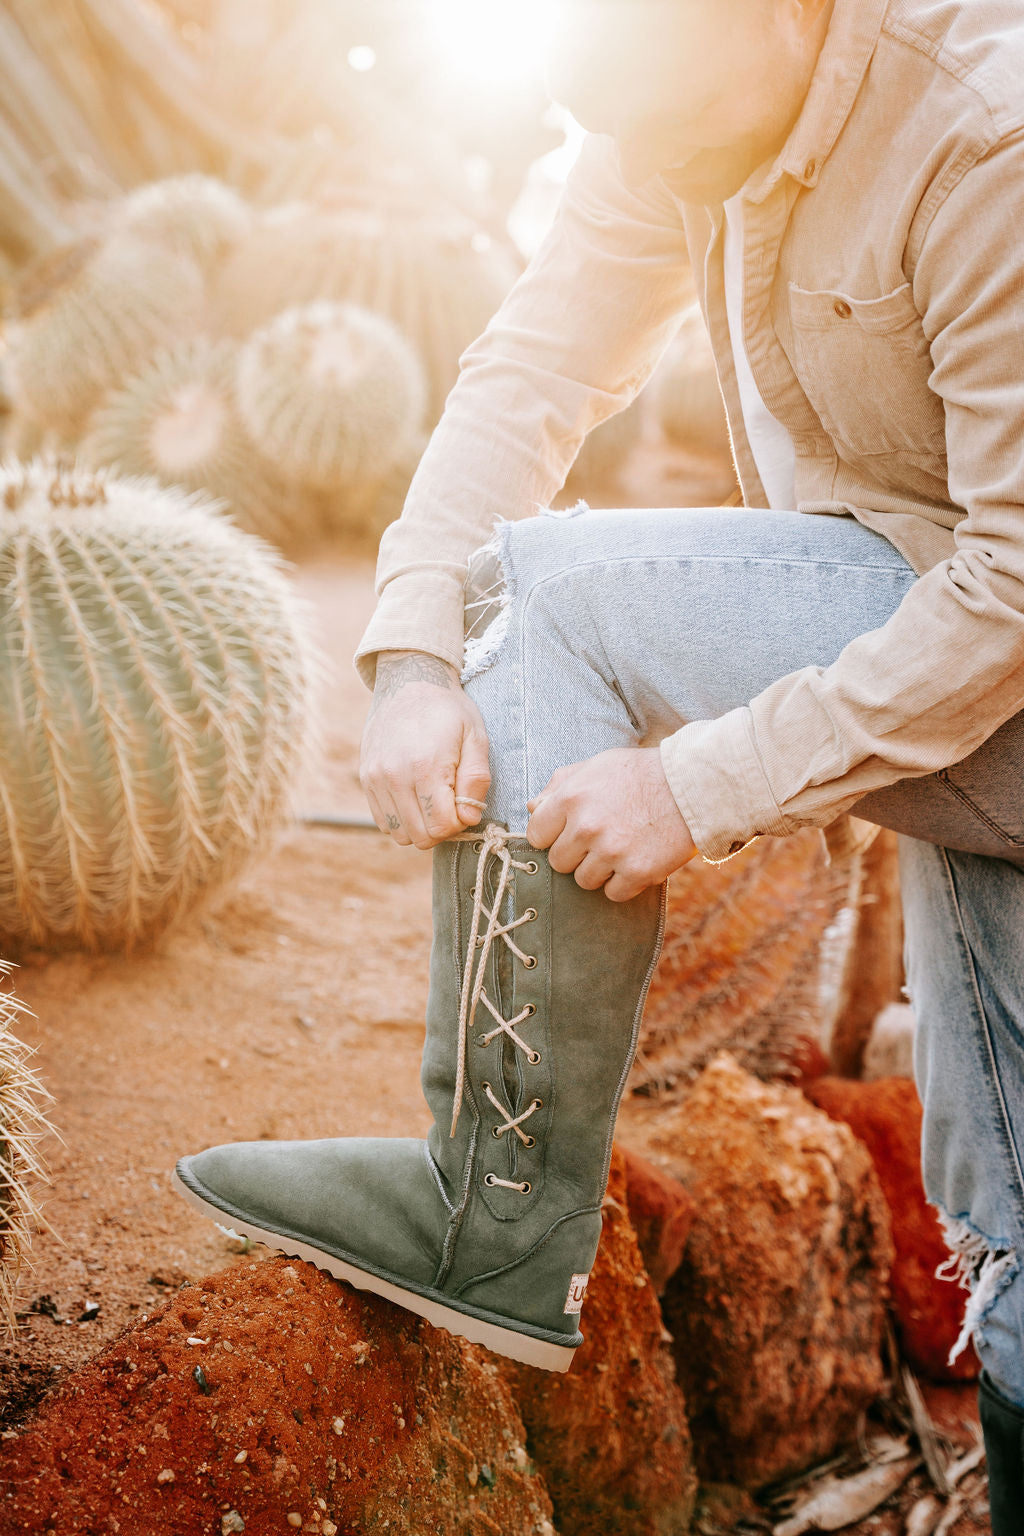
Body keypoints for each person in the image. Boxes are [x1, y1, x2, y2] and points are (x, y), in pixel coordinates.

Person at [174, 0, 1024, 1523]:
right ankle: (498, 1205)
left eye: (675, 127)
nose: (648, 170)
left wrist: (696, 785)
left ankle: (491, 1208)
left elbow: (1017, 586)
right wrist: (419, 657)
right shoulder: (669, 107)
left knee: (560, 591)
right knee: (1007, 1220)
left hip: (995, 640)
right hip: (948, 656)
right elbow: (534, 370)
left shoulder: (984, 127)